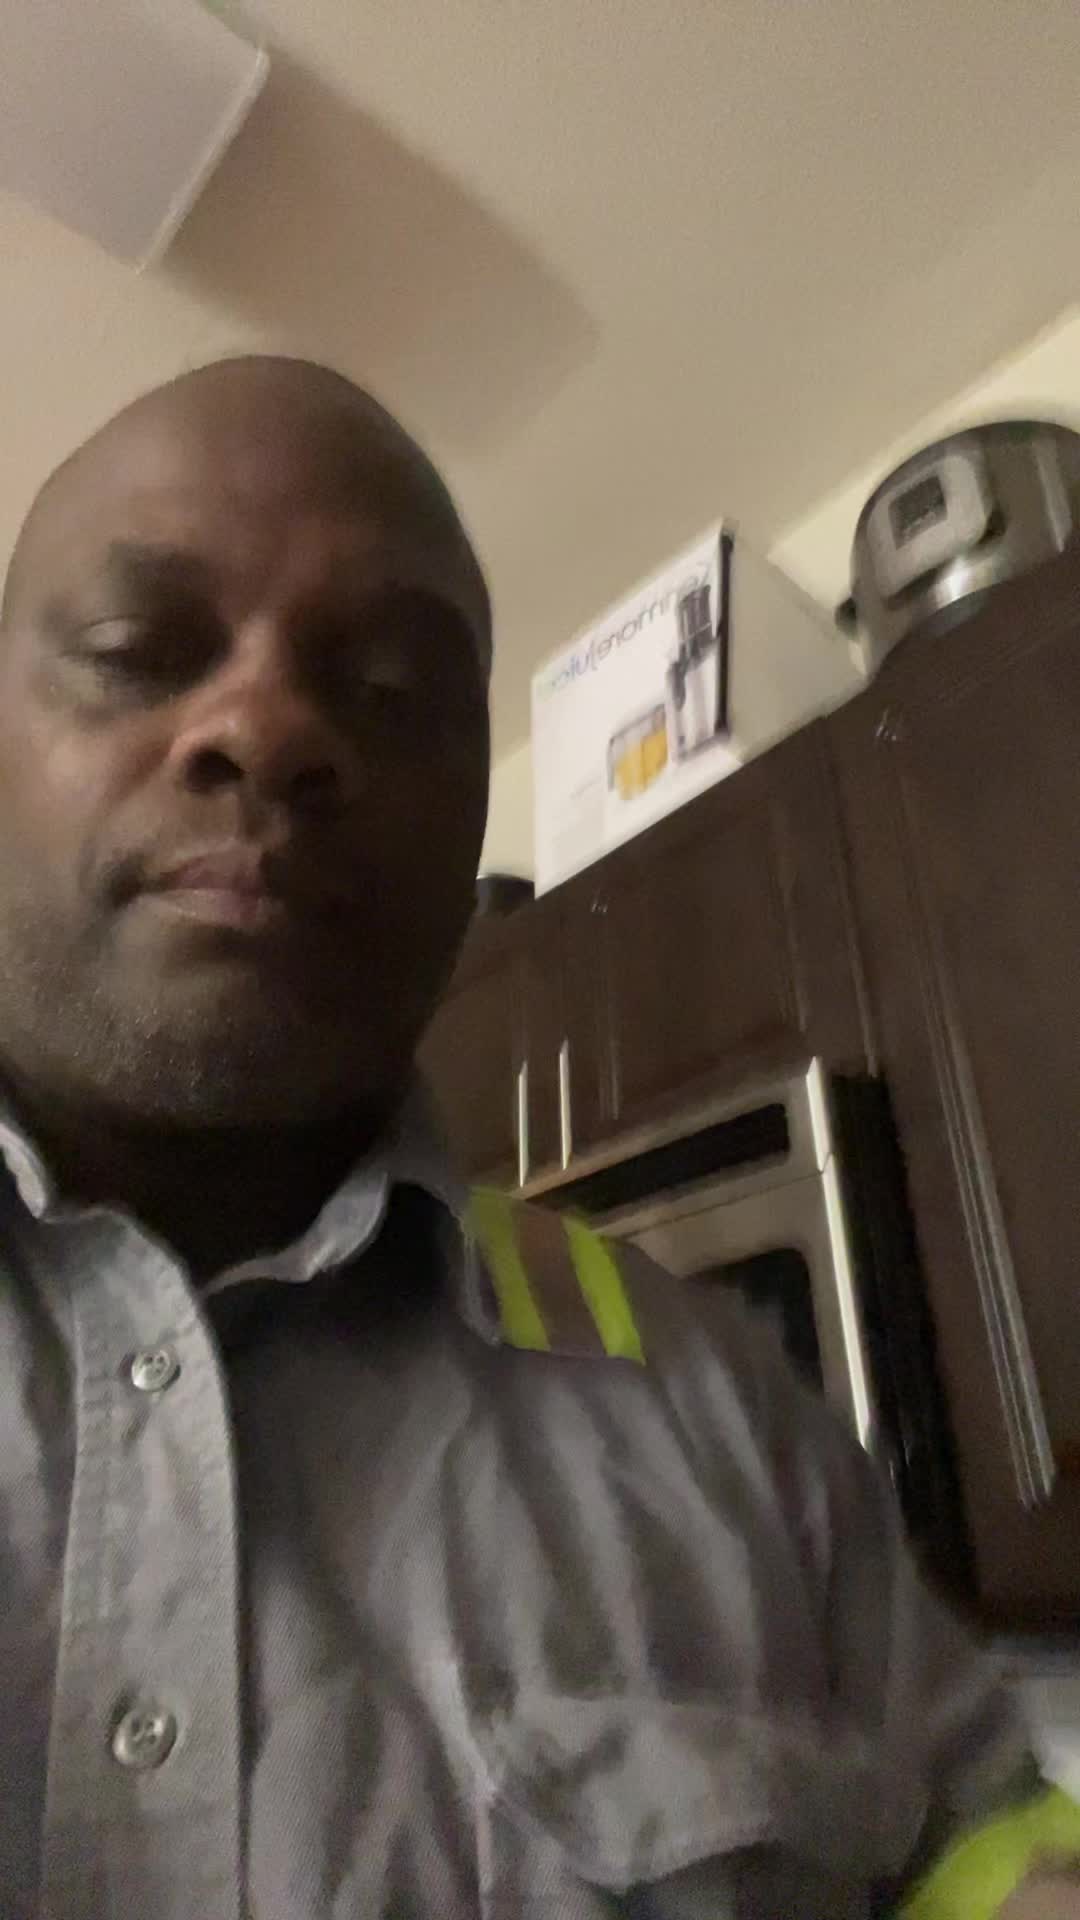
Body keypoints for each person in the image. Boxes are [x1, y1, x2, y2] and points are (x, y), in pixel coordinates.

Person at [0, 355, 1075, 1920]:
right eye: (134, 650)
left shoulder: (731, 1416)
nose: (266, 725)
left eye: (391, 691)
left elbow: (983, 1858)